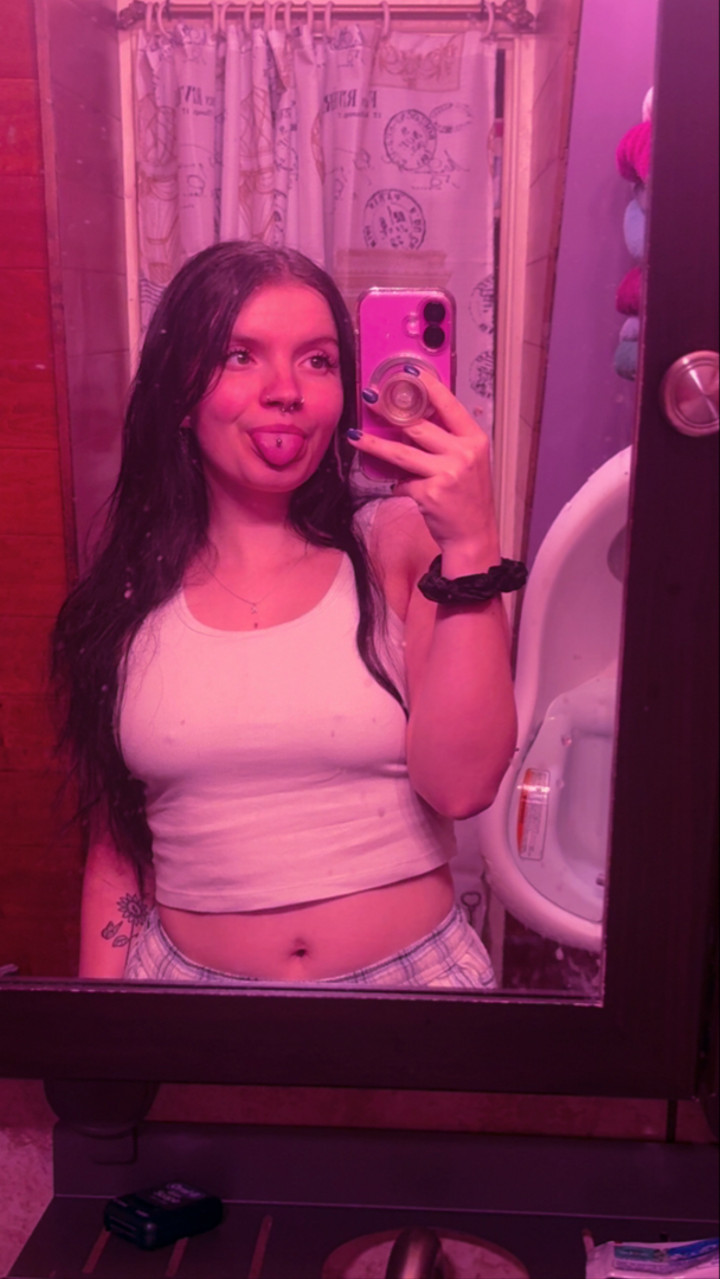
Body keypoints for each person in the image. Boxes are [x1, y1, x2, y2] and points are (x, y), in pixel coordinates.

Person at [51, 240, 522, 989]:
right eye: (241, 356)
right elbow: (119, 849)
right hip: (185, 994)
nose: (287, 391)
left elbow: (461, 788)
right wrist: (100, 1026)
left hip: (414, 989)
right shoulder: (125, 597)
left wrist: (470, 543)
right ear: (181, 393)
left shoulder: (397, 544)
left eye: (318, 361)